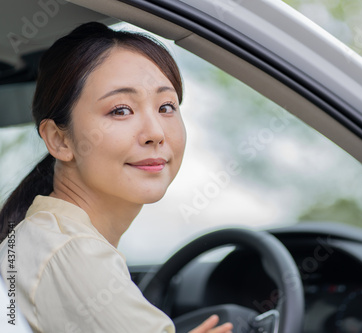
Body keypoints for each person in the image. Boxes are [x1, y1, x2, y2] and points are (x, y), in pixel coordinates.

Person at [0, 22, 233, 333]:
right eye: (121, 110)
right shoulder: (72, 253)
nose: (155, 133)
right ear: (59, 140)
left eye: (166, 106)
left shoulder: (46, 239)